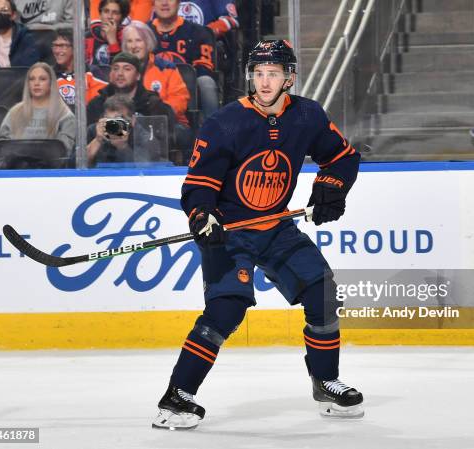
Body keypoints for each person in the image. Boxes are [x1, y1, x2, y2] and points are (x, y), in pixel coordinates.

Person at [152, 40, 363, 430]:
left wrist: (332, 187)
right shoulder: (226, 122)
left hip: (276, 225)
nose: (265, 82)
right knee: (225, 311)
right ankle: (177, 395)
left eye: (274, 74)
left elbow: (343, 157)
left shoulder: (307, 116)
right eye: (259, 74)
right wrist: (202, 214)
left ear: (289, 78)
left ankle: (326, 382)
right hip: (230, 230)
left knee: (323, 294)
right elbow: (199, 183)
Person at [121, 20, 192, 137]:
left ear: (148, 43)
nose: (133, 46)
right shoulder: (120, 71)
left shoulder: (166, 68)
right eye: (129, 41)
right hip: (132, 123)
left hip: (168, 123)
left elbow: (180, 100)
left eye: (138, 40)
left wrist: (157, 115)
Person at [150, 0, 219, 118]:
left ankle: (212, 132)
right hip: (151, 86)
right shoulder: (142, 33)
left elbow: (205, 68)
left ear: (178, 3)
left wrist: (176, 82)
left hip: (187, 89)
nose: (164, 3)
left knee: (206, 83)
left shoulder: (199, 32)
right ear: (153, 3)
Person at [0, 62, 76, 152]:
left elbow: (63, 151)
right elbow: (0, 146)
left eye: (42, 79)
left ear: (51, 83)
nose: (36, 83)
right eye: (32, 79)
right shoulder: (15, 112)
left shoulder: (64, 115)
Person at [86, 94, 161, 166]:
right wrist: (97, 140)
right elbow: (75, 166)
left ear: (133, 120)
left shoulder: (144, 138)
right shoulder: (94, 131)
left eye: (119, 119)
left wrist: (123, 147)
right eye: (109, 119)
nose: (113, 124)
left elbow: (145, 170)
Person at [53, 29, 108, 108]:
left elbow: (97, 106)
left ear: (75, 48)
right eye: (55, 46)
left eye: (62, 46)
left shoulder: (92, 74)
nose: (57, 51)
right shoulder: (49, 75)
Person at [85, 0, 129, 66]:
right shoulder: (88, 37)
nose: (109, 16)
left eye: (115, 13)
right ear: (100, 14)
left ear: (122, 18)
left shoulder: (128, 38)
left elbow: (121, 69)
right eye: (106, 11)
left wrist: (113, 41)